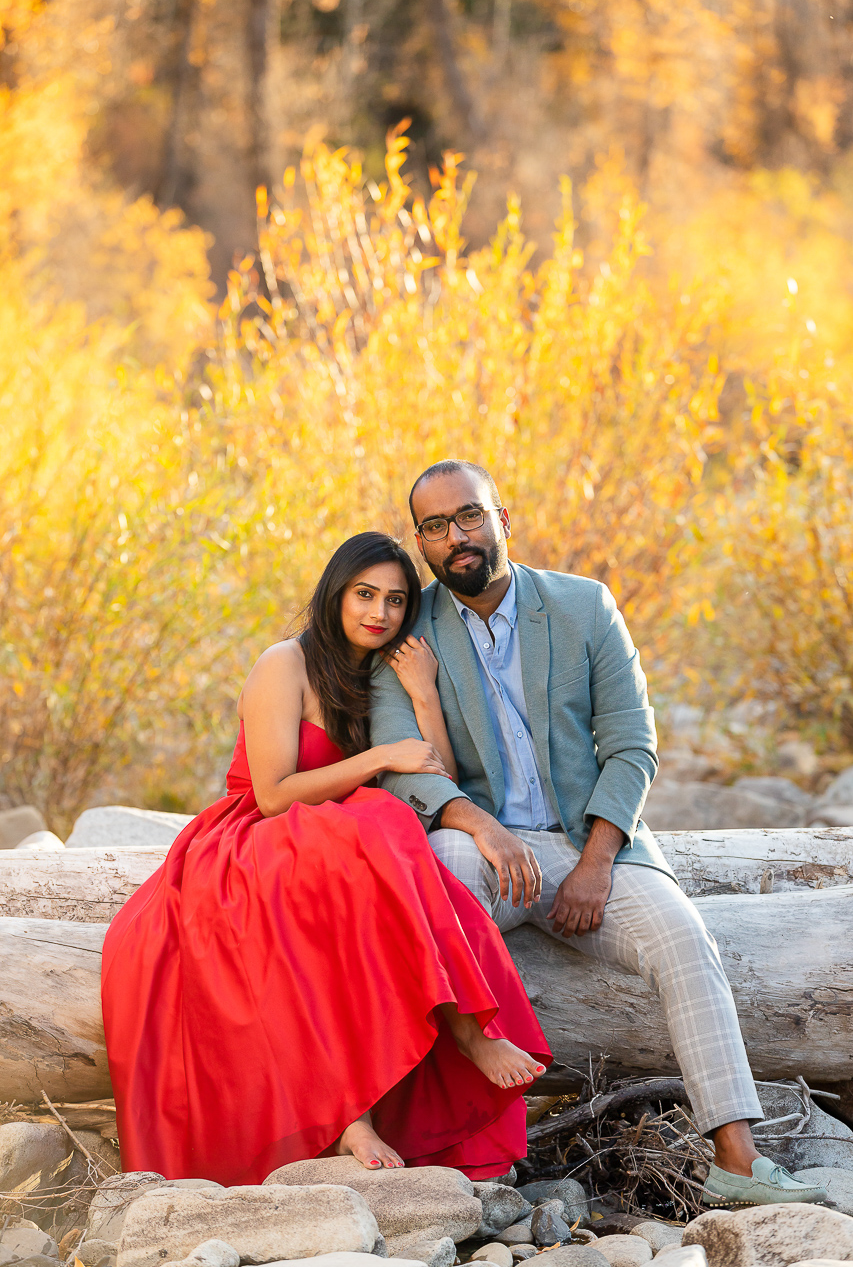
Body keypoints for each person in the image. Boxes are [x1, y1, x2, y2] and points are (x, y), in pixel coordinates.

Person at [370, 460, 829, 1209]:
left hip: (591, 846)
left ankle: (736, 1162)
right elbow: (406, 770)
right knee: (437, 880)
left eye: (469, 516)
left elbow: (632, 744)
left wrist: (594, 862)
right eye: (434, 525)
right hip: (480, 844)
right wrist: (482, 824)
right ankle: (429, 1148)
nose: (456, 537)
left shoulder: (583, 606)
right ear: (419, 539)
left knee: (686, 940)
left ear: (502, 517)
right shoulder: (407, 630)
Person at [101, 532, 550, 1186]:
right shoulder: (284, 663)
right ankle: (415, 1063)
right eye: (364, 595)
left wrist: (422, 693)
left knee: (386, 832)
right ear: (334, 594)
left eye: (396, 600)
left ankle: (387, 1084)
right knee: (379, 820)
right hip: (251, 837)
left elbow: (433, 780)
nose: (380, 612)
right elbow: (274, 791)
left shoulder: (379, 673)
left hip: (339, 842)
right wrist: (375, 760)